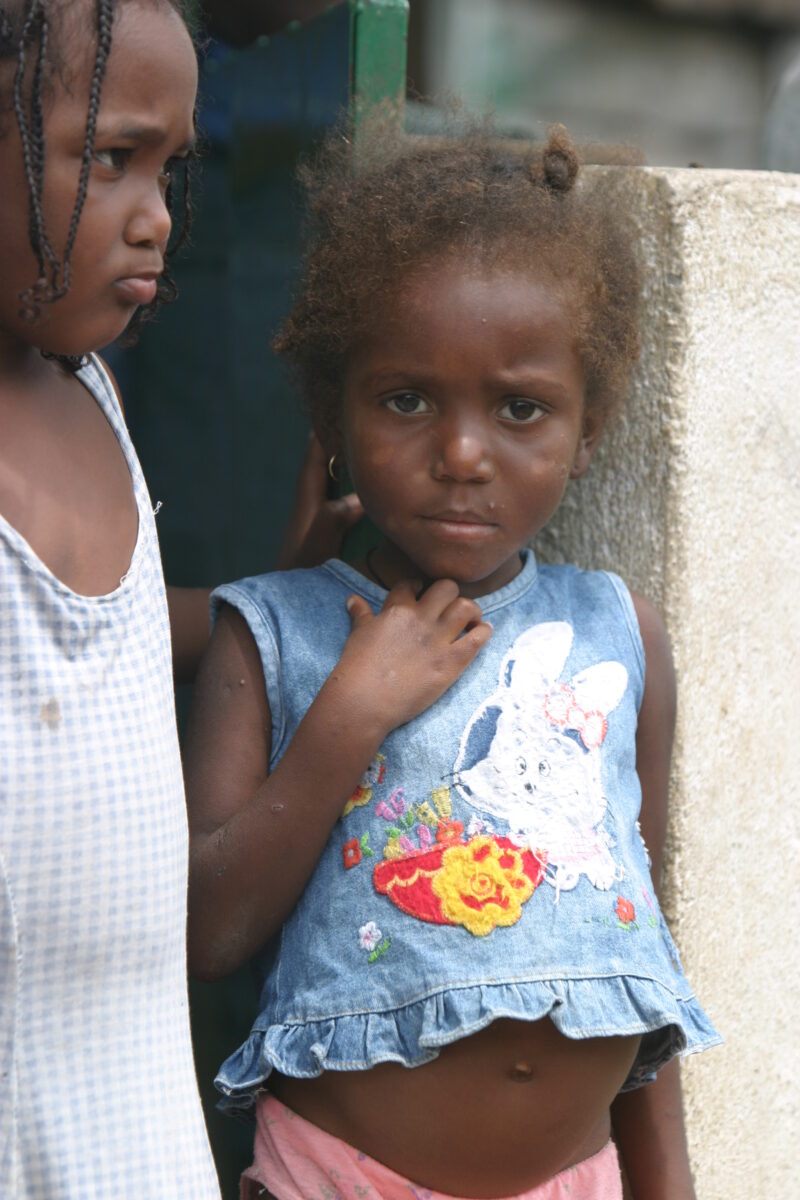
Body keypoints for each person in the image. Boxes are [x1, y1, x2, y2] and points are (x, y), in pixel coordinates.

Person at [184, 122, 721, 1200]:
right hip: (344, 1178)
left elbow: (633, 954)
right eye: (405, 400)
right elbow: (206, 932)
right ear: (330, 417)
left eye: (519, 409)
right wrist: (348, 715)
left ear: (589, 426)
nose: (462, 453)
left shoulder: (618, 633)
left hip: (576, 1179)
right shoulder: (271, 633)